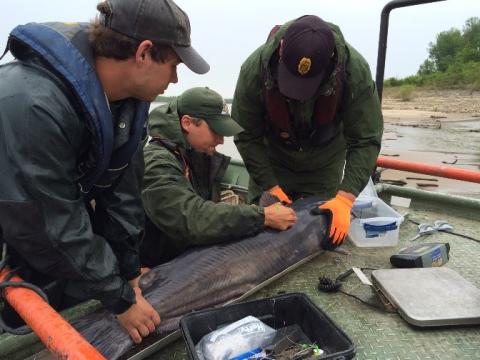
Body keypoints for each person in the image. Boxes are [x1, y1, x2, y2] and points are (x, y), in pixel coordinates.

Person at [0, 0, 208, 344]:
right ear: (143, 53)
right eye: (173, 65)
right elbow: (51, 226)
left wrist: (128, 276)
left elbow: (122, 196)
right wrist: (121, 302)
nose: (174, 79)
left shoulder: (126, 102)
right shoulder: (33, 104)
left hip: (42, 214)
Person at [232, 15, 383, 249]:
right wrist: (269, 185)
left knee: (319, 238)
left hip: (324, 162)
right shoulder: (254, 70)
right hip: (273, 161)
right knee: (259, 238)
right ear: (281, 49)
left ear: (330, 61)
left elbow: (366, 139)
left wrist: (345, 198)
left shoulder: (355, 71)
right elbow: (245, 134)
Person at [140, 87, 297, 266]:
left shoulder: (194, 155)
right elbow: (192, 218)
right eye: (216, 130)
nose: (222, 140)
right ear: (187, 123)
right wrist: (263, 216)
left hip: (182, 257)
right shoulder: (156, 162)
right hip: (152, 265)